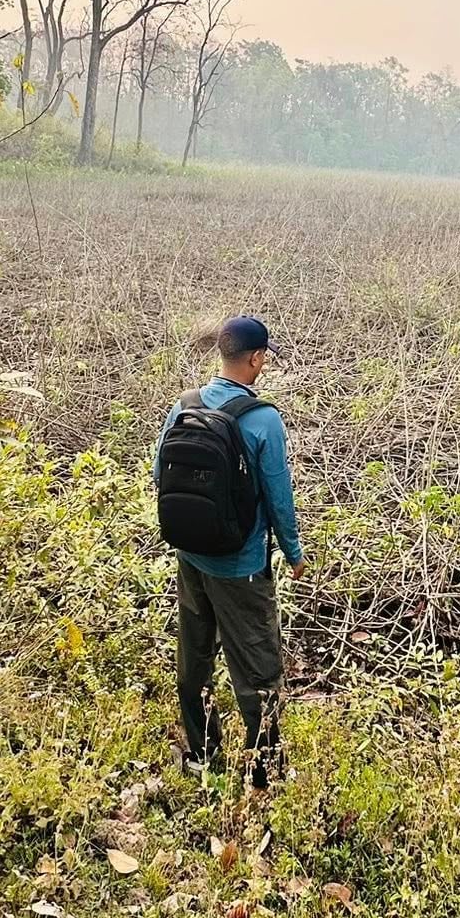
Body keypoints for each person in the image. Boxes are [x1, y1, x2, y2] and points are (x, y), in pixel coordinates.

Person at [155, 315, 306, 788]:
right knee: (258, 669)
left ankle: (201, 755)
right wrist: (294, 552)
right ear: (256, 359)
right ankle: (264, 770)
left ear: (220, 354)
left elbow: (162, 476)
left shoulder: (184, 406)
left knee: (194, 658)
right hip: (241, 568)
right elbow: (279, 498)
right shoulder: (264, 420)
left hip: (191, 559)